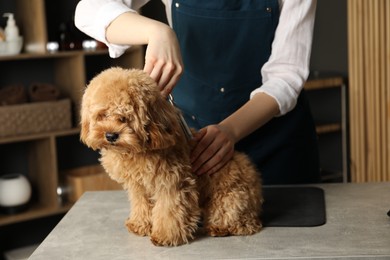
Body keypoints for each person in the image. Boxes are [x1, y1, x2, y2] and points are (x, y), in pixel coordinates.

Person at [75, 0, 320, 185]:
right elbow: (89, 9)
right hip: (192, 142)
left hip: (278, 145)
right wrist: (158, 32)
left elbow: (287, 75)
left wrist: (231, 130)